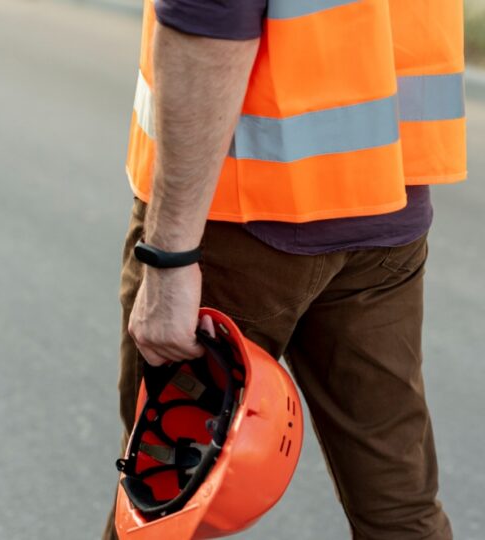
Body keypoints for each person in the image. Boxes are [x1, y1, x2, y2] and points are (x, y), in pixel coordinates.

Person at [102, 1, 467, 539]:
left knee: (165, 509)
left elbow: (208, 25)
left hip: (240, 217)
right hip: (386, 201)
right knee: (399, 508)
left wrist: (170, 257)